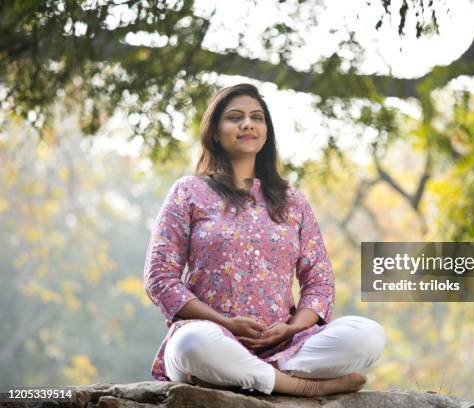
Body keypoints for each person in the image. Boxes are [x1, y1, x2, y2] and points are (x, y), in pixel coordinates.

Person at [143, 83, 386, 397]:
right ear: (215, 132)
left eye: (256, 117)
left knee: (368, 335)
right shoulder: (189, 192)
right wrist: (225, 323)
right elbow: (159, 278)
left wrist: (293, 328)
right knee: (192, 345)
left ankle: (245, 375)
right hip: (211, 337)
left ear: (266, 131)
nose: (247, 124)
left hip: (285, 344)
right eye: (235, 117)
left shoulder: (291, 201)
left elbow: (320, 282)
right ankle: (298, 386)